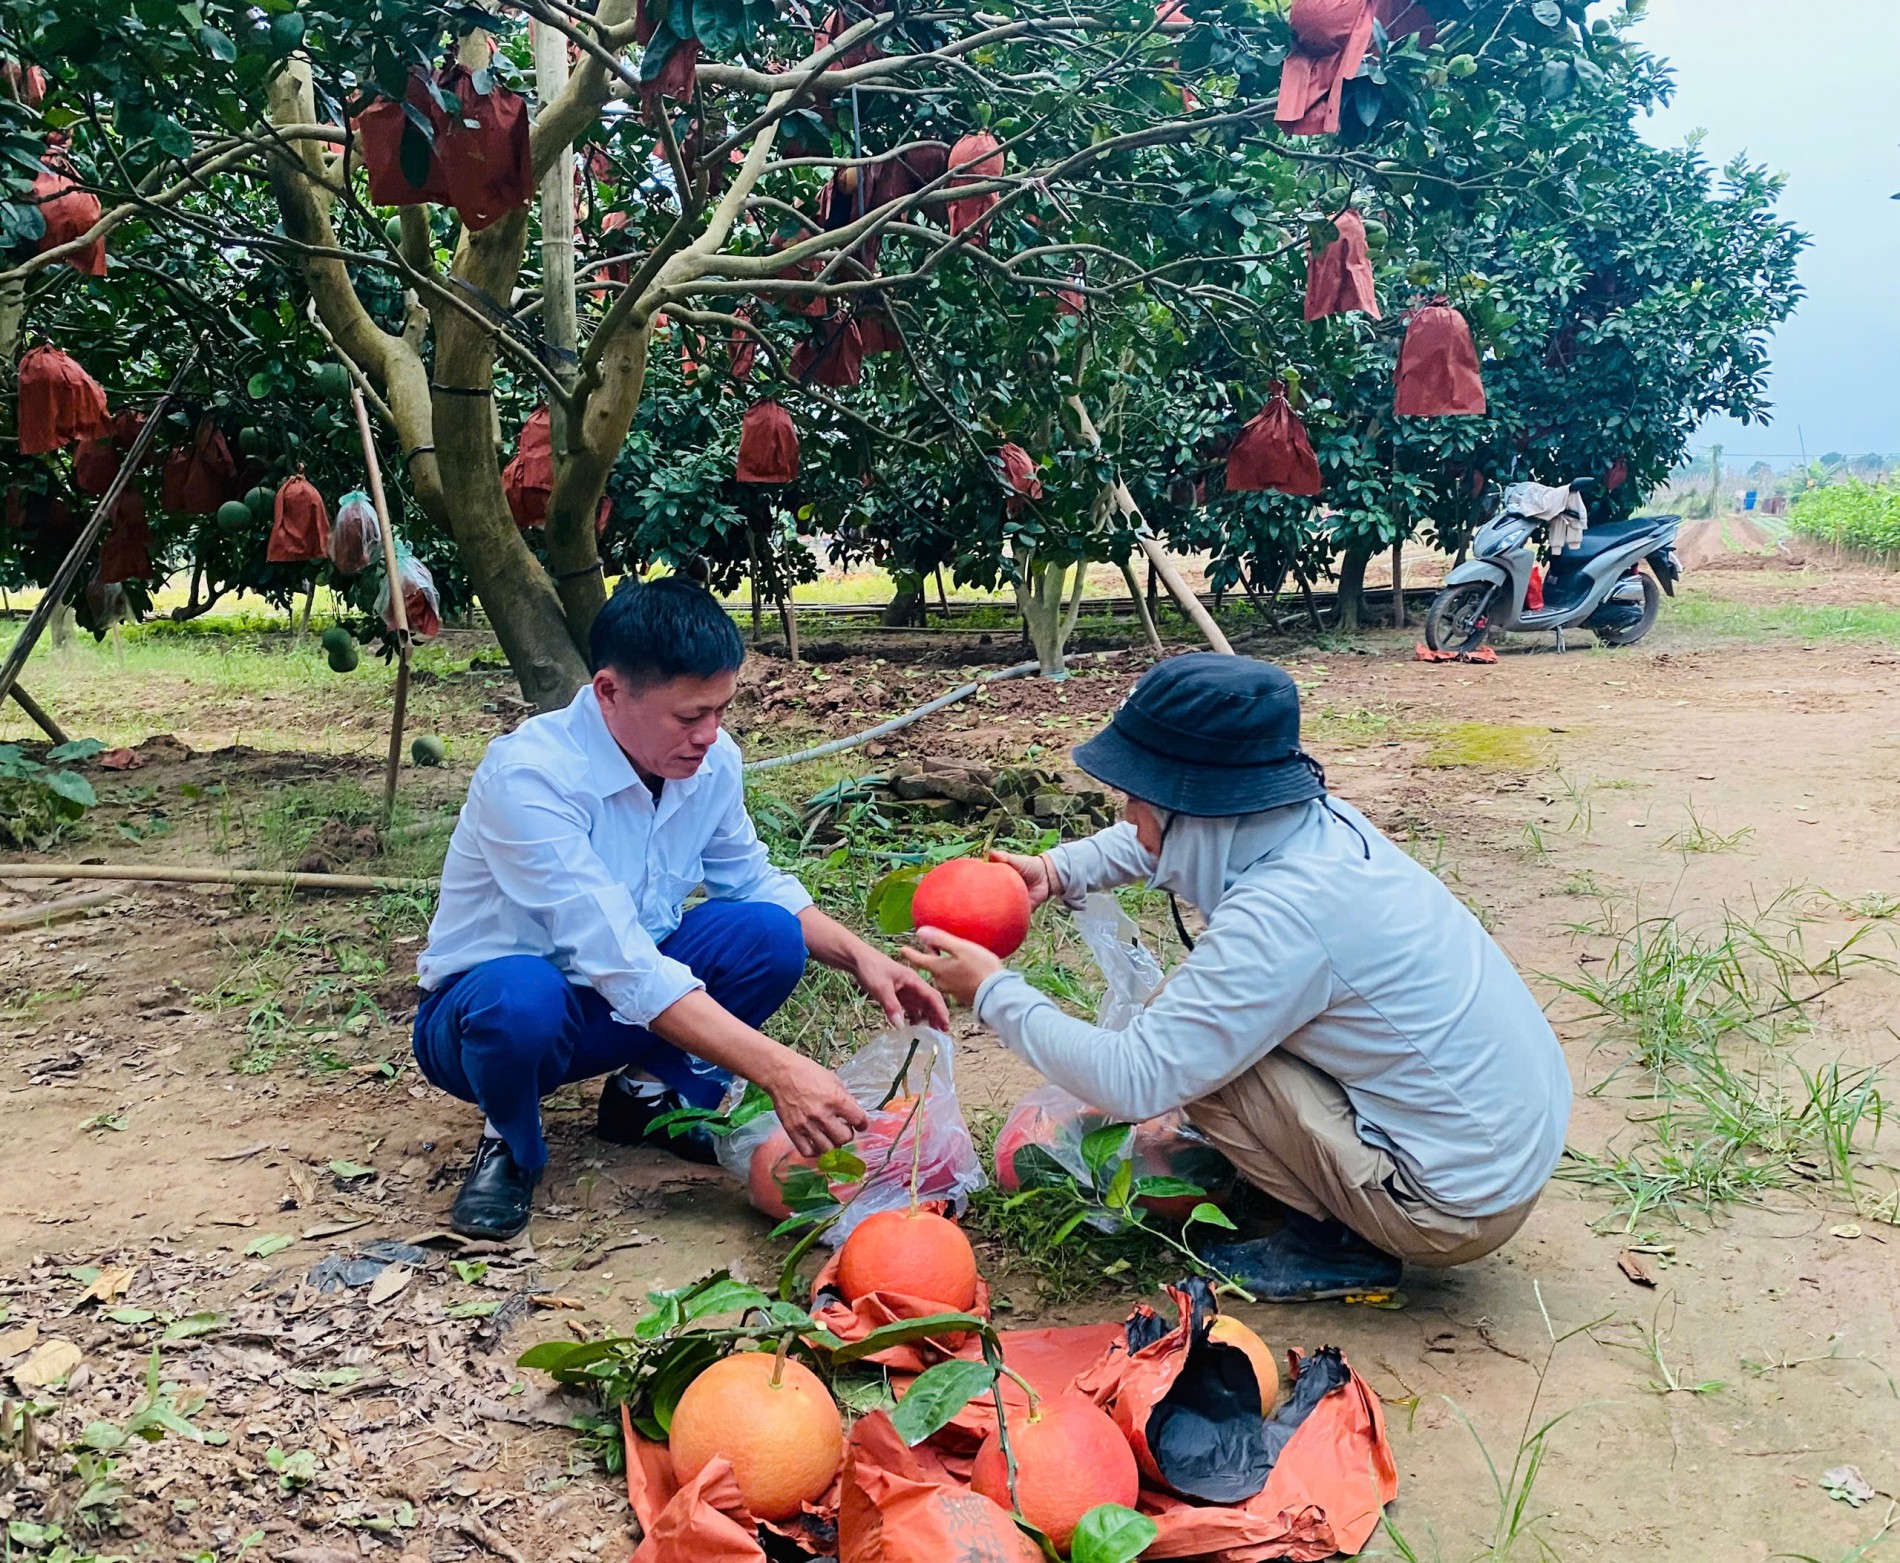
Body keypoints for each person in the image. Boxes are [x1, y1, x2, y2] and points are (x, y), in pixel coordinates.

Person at [904, 654, 1571, 1301]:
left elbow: (1135, 1079)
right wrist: (1058, 870)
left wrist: (992, 992)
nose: (1128, 813)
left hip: (1449, 1205)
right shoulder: (1313, 829)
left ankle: (1339, 1247)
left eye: (1136, 797)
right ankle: (1318, 1179)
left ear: (1194, 802)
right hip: (1496, 1145)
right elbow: (1160, 837)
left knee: (1200, 1068)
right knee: (1196, 1028)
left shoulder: (1283, 914)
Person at [414, 577, 948, 1239]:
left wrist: (862, 958)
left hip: (615, 1006)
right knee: (522, 996)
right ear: (610, 692)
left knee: (769, 935)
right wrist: (779, 1071)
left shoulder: (713, 763)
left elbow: (752, 879)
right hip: (485, 1020)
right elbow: (616, 957)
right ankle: (510, 1141)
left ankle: (645, 1097)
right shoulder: (530, 778)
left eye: (721, 710)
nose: (709, 734)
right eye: (689, 716)